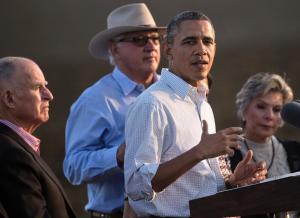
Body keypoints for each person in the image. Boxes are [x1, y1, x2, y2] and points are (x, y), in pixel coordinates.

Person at [124, 11, 267, 218]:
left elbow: (195, 185)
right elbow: (136, 186)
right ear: (168, 50)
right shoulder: (152, 104)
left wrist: (232, 182)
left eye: (207, 41)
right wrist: (198, 152)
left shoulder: (202, 103)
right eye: (190, 41)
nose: (201, 50)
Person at [63, 3, 165, 218]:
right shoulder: (95, 100)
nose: (151, 46)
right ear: (114, 48)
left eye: (155, 38)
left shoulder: (171, 91)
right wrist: (118, 156)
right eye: (139, 39)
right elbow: (73, 167)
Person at [0, 56, 76, 218]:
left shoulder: (15, 146)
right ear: (9, 99)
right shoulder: (10, 152)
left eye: (45, 87)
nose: (49, 95)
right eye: (37, 87)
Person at [230, 72, 300, 218]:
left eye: (277, 110)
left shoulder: (295, 150)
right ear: (244, 109)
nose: (269, 116)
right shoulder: (226, 154)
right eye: (261, 107)